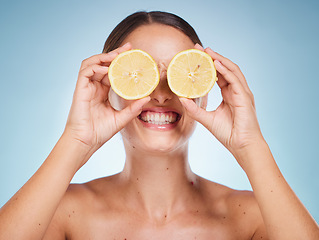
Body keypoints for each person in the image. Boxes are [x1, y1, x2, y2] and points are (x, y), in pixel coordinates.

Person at [0, 11, 318, 240]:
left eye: (178, 78)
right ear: (108, 87)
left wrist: (251, 146)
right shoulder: (63, 212)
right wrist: (75, 141)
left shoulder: (250, 216)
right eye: (142, 76)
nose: (161, 96)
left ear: (206, 87)